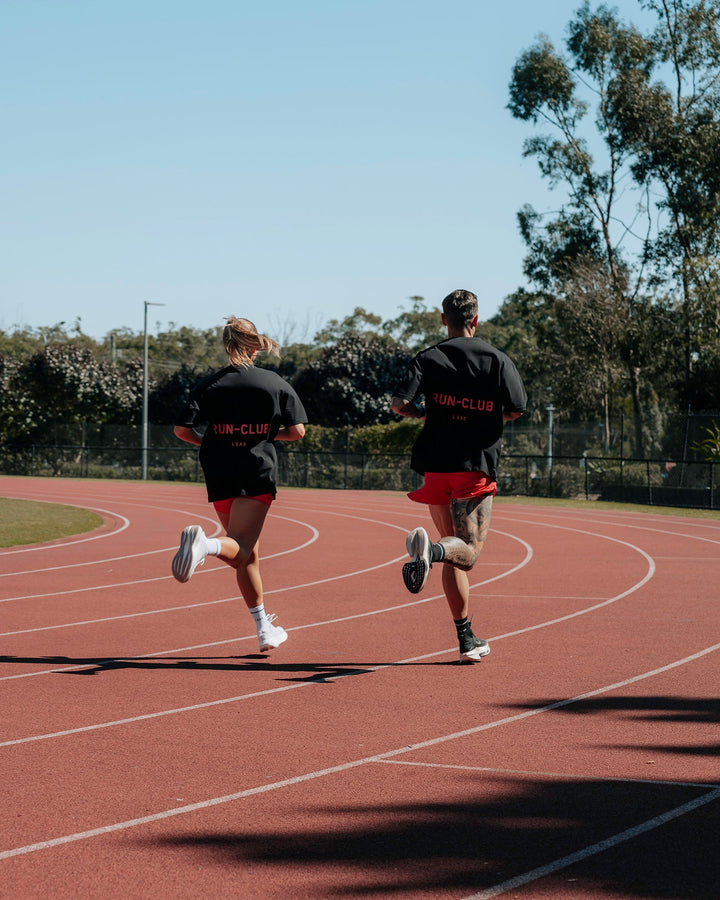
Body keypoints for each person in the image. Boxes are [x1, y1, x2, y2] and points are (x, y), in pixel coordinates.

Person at [391, 290, 526, 663]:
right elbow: (516, 409)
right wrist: (484, 416)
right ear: (476, 320)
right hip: (473, 466)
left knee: (455, 547)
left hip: (435, 466)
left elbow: (399, 404)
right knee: (466, 554)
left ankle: (466, 640)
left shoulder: (428, 357)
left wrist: (427, 414)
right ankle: (430, 553)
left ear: (443, 319)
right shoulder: (497, 360)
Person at [171, 317, 307, 653]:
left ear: (226, 343)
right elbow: (297, 431)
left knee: (247, 557)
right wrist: (264, 434)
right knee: (241, 546)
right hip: (255, 468)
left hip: (218, 468)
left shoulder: (210, 385)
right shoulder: (273, 382)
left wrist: (211, 440)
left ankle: (264, 629)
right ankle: (205, 546)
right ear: (253, 344)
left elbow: (181, 430)